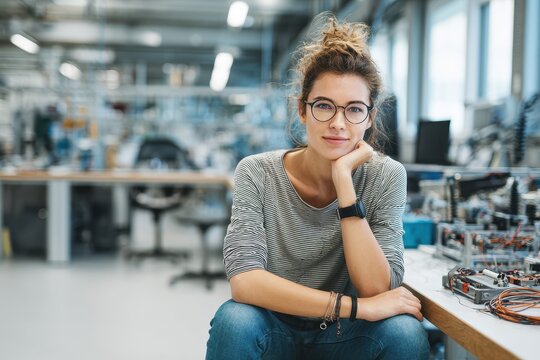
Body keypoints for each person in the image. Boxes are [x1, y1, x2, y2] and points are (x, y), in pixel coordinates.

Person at [206, 13, 430, 360]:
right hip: (274, 325)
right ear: (302, 109)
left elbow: (377, 287)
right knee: (234, 322)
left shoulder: (386, 176)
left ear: (370, 118)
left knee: (404, 333)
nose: (338, 124)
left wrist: (344, 182)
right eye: (324, 106)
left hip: (344, 338)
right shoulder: (257, 172)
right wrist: (354, 308)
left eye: (354, 110)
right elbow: (245, 281)